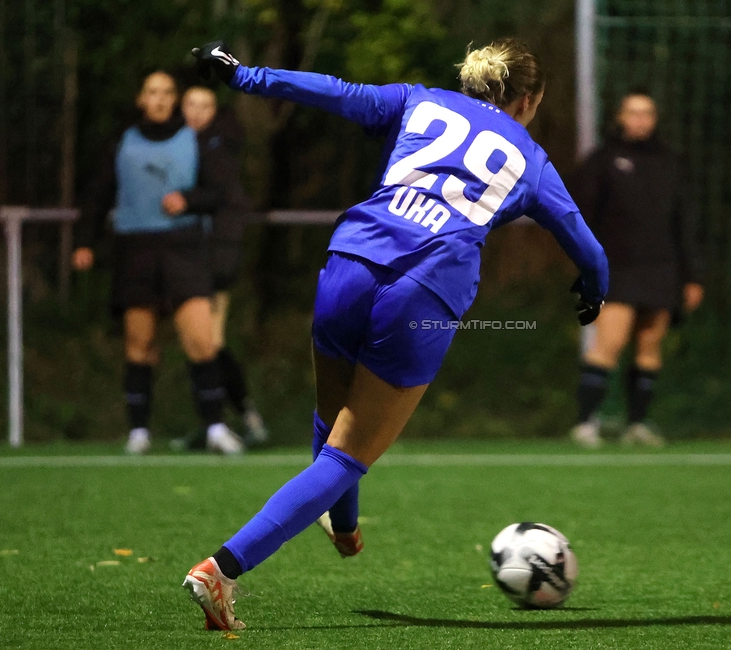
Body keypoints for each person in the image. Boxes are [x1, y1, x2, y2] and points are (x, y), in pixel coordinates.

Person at [181, 38, 609, 630]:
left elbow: (334, 92)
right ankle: (220, 569)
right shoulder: (530, 157)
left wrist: (244, 75)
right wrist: (595, 285)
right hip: (425, 288)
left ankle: (346, 525)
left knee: (335, 427)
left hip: (351, 259)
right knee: (350, 453)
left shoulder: (417, 101)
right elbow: (581, 238)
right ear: (529, 99)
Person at [73, 71, 245, 456]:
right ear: (141, 99)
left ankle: (215, 426)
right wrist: (84, 242)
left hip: (184, 248)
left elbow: (220, 192)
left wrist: (189, 200)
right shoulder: (123, 142)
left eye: (168, 93)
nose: (161, 99)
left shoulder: (196, 140)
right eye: (153, 92)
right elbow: (99, 192)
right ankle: (138, 432)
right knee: (140, 344)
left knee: (202, 341)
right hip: (136, 250)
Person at [568, 88, 705, 449]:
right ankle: (585, 423)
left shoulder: (671, 163)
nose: (640, 120)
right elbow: (580, 215)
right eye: (633, 112)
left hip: (663, 267)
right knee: (608, 343)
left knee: (649, 345)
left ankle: (637, 424)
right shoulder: (602, 160)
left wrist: (693, 275)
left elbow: (685, 222)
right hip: (619, 268)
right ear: (620, 117)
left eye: (647, 113)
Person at [172, 86, 269, 449]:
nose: (197, 112)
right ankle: (217, 421)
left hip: (214, 257)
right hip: (192, 254)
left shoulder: (218, 146)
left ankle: (238, 418)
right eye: (191, 105)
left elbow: (222, 198)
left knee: (209, 342)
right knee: (203, 344)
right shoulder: (183, 144)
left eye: (205, 105)